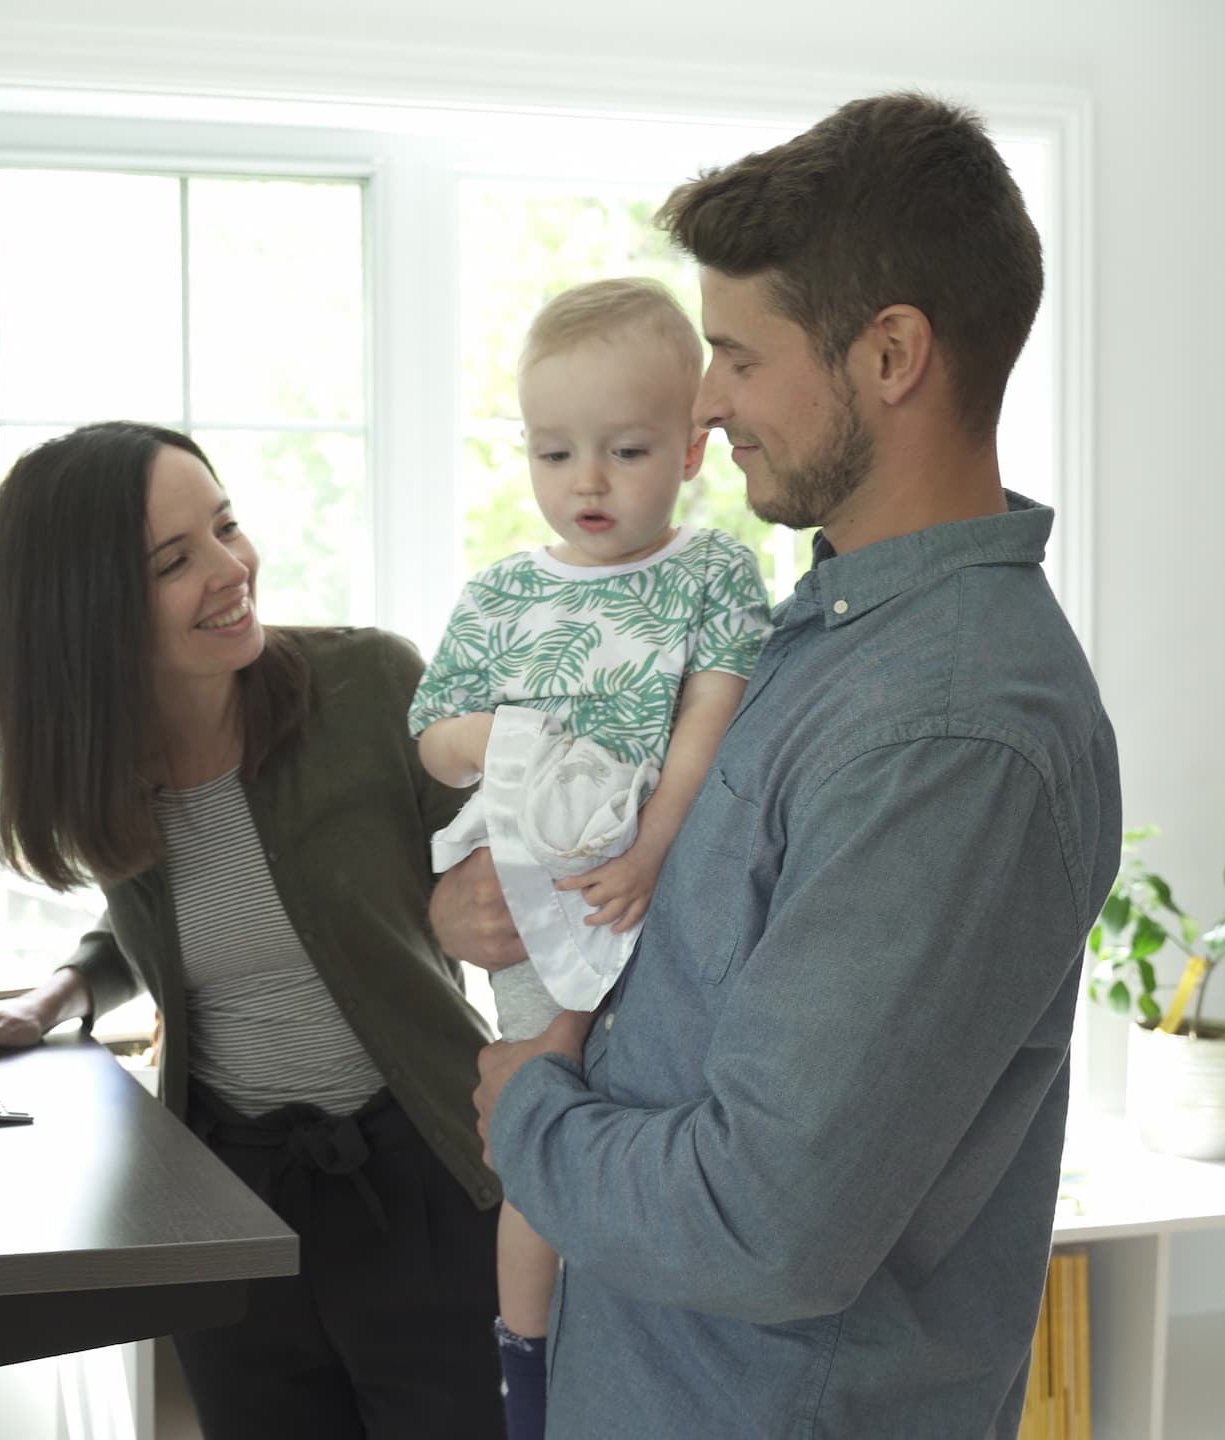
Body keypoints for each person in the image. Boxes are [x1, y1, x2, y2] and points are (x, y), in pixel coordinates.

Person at [448, 92, 1122, 1437]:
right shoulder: (819, 641)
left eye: (739, 359)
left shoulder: (951, 734)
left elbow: (760, 1226)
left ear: (891, 355)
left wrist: (530, 1110)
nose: (705, 403)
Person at [0, 420, 504, 1436]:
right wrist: (57, 996)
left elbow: (514, 882)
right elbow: (172, 919)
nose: (232, 570)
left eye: (225, 527)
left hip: (424, 1177)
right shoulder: (101, 768)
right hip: (228, 1197)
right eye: (176, 561)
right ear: (90, 616)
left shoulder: (370, 689)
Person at [407, 276, 770, 1439]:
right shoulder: (506, 592)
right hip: (527, 868)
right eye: (555, 452)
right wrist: (516, 737)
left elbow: (704, 738)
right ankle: (523, 1363)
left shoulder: (708, 575)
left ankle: (624, 1358)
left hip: (653, 870)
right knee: (541, 1111)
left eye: (624, 448)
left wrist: (653, 855)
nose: (589, 482)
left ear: (692, 445)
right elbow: (436, 738)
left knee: (640, 1120)